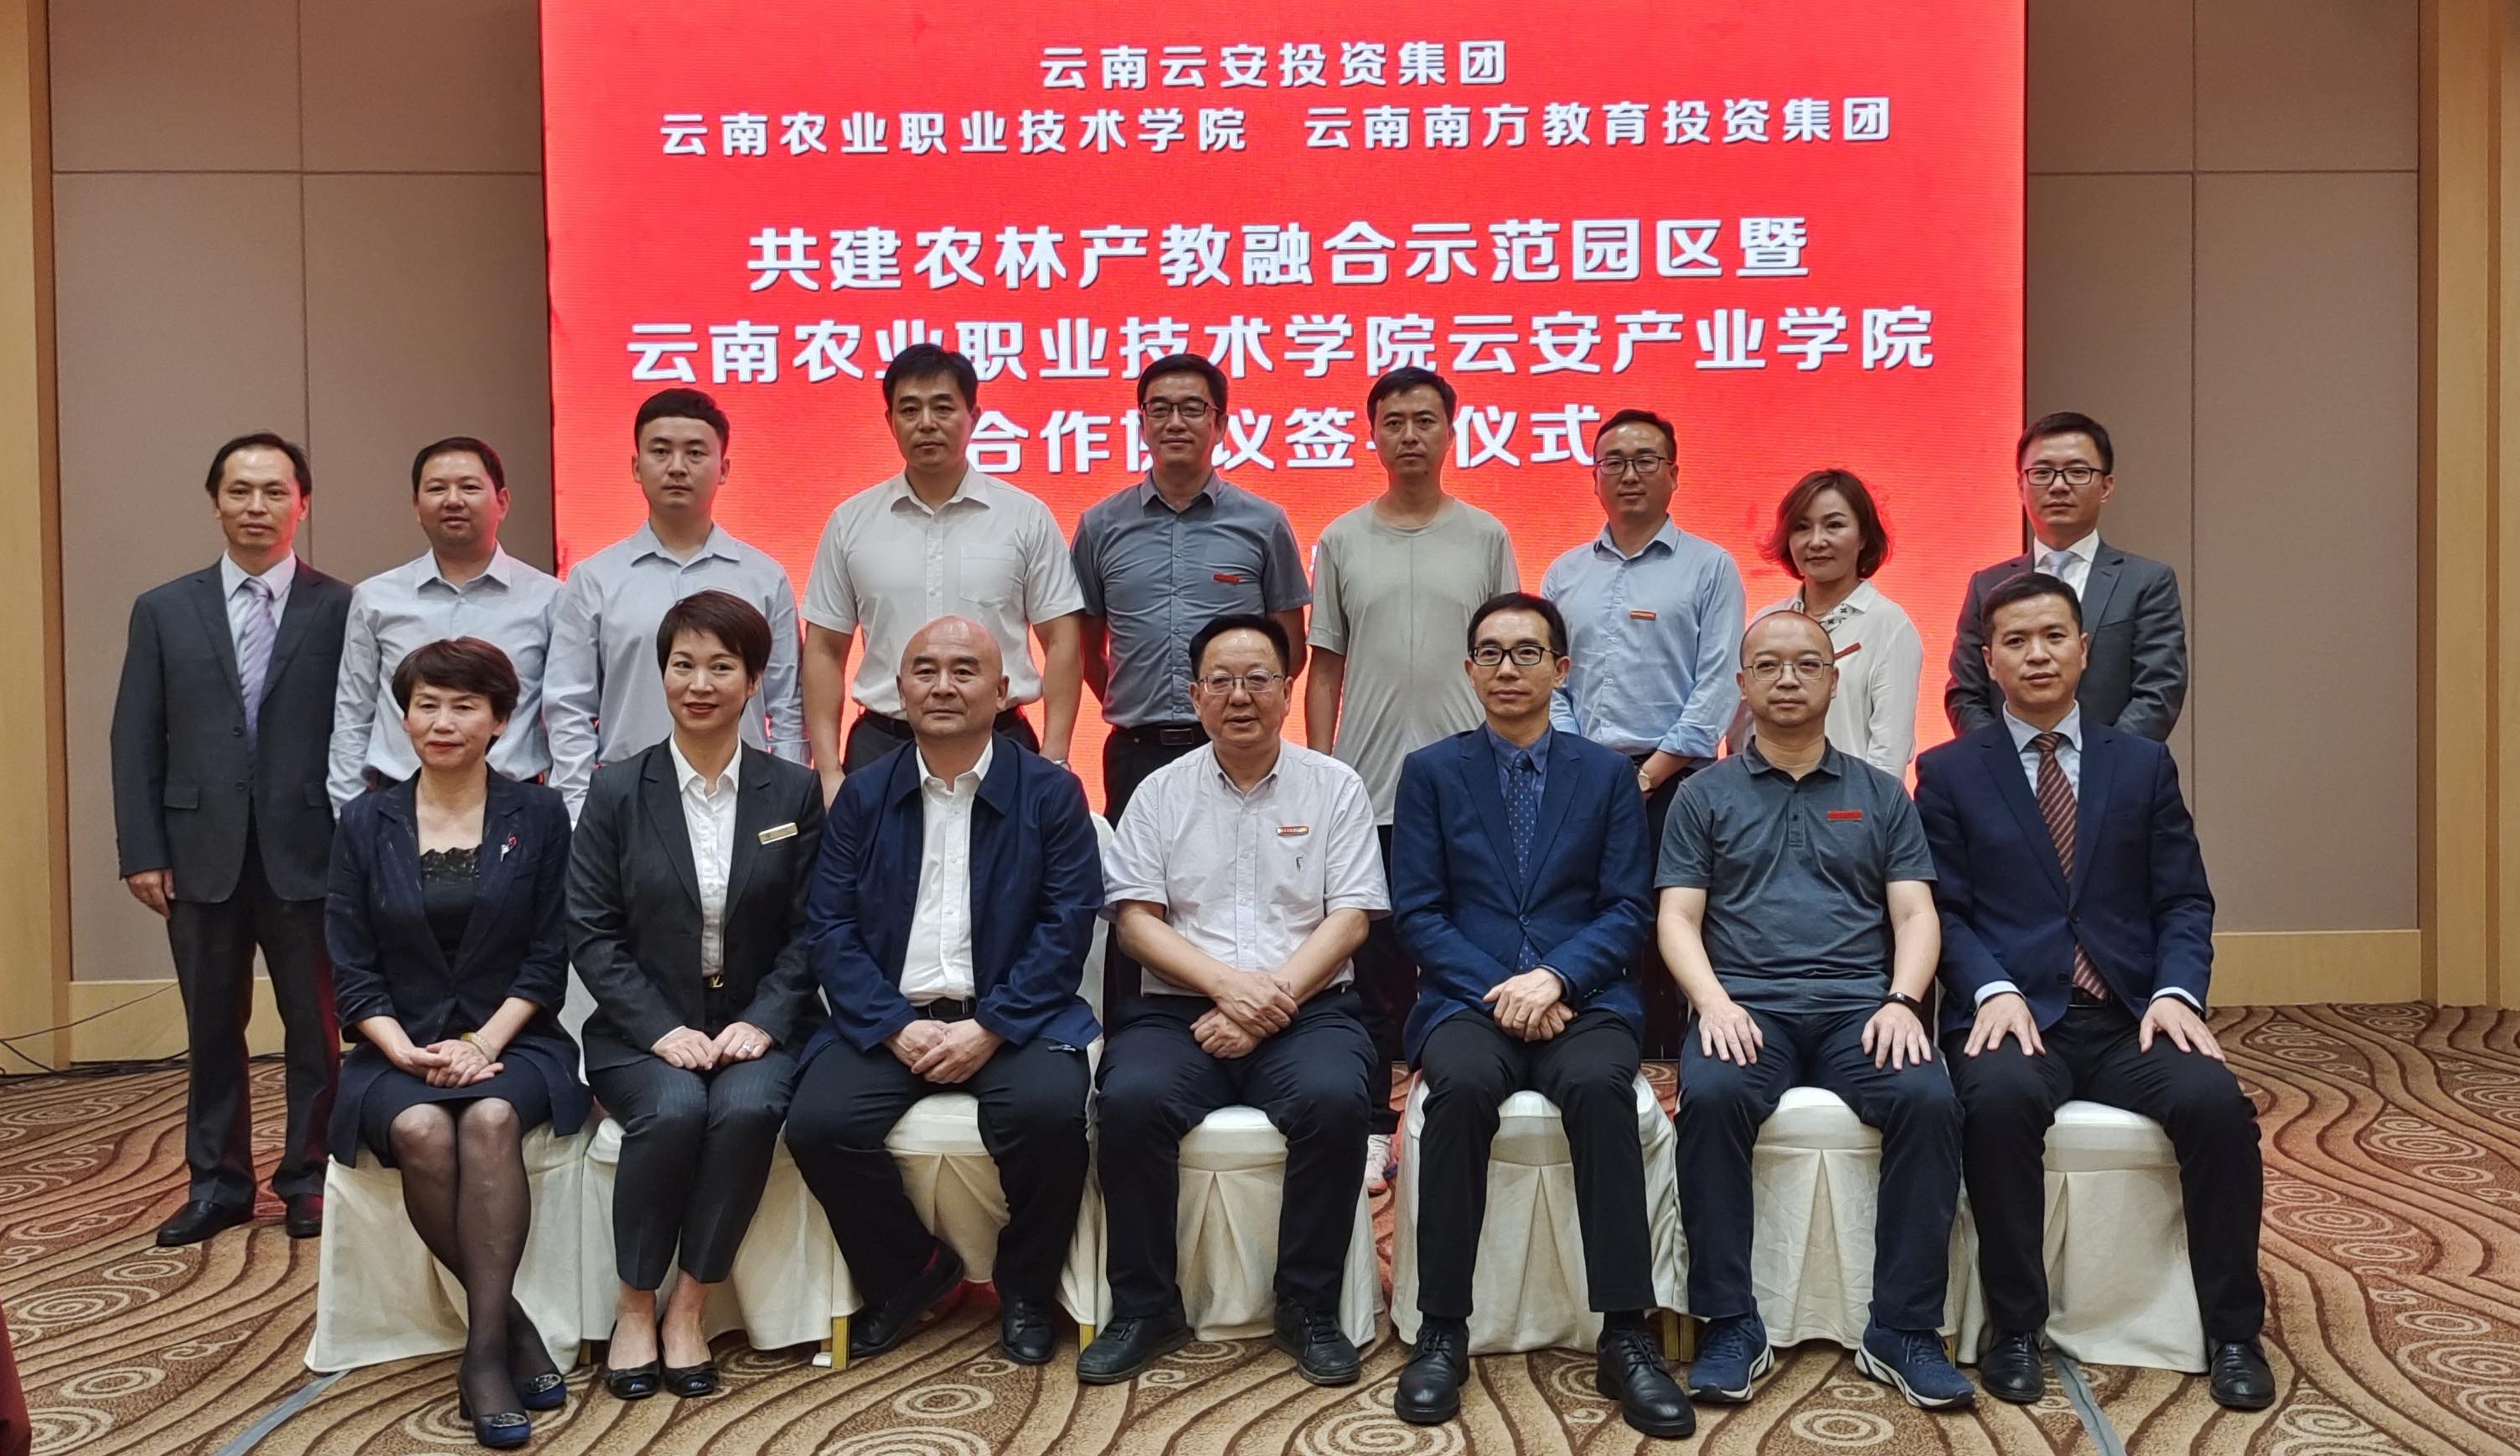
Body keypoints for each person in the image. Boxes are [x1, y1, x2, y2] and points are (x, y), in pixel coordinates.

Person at [1916, 571, 2273, 1410]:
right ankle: (2013, 1327)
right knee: (1997, 1104)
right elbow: (1943, 910)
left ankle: (2232, 1332)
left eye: (2052, 637)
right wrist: (1991, 987)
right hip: (2012, 1015)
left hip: (2126, 1017)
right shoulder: (1948, 772)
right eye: (2015, 641)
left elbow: (2182, 899)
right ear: (1988, 660)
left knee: (2218, 1108)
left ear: (2083, 650)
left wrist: (2176, 993)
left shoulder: (2141, 763)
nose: (2036, 655)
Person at [1387, 592, 1686, 1437]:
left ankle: (1624, 1333)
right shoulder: (1431, 772)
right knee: (1459, 1091)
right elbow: (1418, 912)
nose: (1507, 668)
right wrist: (1504, 988)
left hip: (1582, 998)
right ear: (1468, 669)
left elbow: (1627, 908)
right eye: (1490, 653)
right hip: (1466, 998)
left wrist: (1553, 979)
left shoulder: (1606, 774)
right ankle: (1443, 1329)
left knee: (1599, 1091)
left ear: (1561, 668)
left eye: (1526, 653)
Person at [1657, 612, 1974, 1411]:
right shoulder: (1702, 794)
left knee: (1929, 1099)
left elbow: (1915, 913)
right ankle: (1731, 1322)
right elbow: (1678, 918)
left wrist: (1902, 1002)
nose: (1788, 679)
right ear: (1743, 685)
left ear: (1835, 680)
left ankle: (1902, 1327)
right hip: (1745, 1008)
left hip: (1857, 1010)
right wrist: (1712, 1004)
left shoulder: (1880, 794)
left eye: (1807, 664)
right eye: (1768, 665)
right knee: (1713, 1098)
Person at [784, 617, 1102, 1366]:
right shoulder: (862, 796)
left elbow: (1066, 926)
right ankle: (912, 1275)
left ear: (1003, 691)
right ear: (899, 691)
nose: (943, 687)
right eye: (924, 671)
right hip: (891, 1021)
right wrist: (894, 1025)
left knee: (1049, 1116)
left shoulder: (1051, 793)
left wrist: (991, 1027)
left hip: (1015, 1020)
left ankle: (1026, 1291)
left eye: (965, 671)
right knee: (818, 1123)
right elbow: (828, 927)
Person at [1080, 615, 1382, 1387]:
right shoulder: (1158, 793)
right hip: (1179, 1010)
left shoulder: (1336, 786)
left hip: (1308, 1005)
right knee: (1131, 1101)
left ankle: (1308, 1306)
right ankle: (1145, 1306)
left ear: (1287, 689)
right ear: (1195, 696)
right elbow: (1136, 923)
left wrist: (1268, 999)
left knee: (1334, 1100)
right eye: (1220, 681)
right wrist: (1228, 988)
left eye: (1257, 679)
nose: (1239, 696)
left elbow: (1350, 917)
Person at [325, 638, 586, 1448]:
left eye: (465, 706)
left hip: (516, 1039)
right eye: (427, 705)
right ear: (404, 718)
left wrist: (483, 1041)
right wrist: (400, 1049)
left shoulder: (538, 815)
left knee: (490, 1120)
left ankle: (481, 1359)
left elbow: (549, 954)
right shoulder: (364, 822)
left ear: (500, 720)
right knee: (419, 1129)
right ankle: (512, 1329)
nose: (443, 722)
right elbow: (350, 964)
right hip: (394, 1047)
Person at [566, 591, 826, 1401]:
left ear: (753, 680)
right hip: (641, 1030)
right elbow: (592, 933)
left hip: (761, 1025)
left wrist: (765, 1020)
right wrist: (659, 1029)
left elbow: (813, 930)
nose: (700, 683)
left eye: (721, 666)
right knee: (674, 1110)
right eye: (683, 665)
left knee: (745, 1110)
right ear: (663, 674)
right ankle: (633, 1306)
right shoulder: (617, 791)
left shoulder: (792, 792)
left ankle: (690, 1305)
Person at [110, 433, 349, 1247]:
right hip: (196, 851)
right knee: (212, 1029)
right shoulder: (163, 609)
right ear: (215, 502)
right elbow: (135, 737)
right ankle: (218, 1183)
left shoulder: (341, 607)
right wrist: (143, 848)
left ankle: (309, 1178)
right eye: (240, 491)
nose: (257, 506)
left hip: (307, 849)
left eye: (275, 491)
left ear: (302, 504)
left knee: (315, 1029)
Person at [1306, 367, 1520, 1195]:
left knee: (1466, 958)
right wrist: (1321, 771)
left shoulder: (1486, 535)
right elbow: (1325, 666)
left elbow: (1509, 658)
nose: (1408, 435)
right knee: (1373, 972)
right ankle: (1371, 1124)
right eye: (1392, 421)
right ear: (1372, 434)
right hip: (1366, 790)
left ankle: (1454, 1108)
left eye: (1424, 420)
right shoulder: (1342, 538)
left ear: (1450, 432)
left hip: (1470, 789)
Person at [1541, 408, 1744, 1056]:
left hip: (1680, 784)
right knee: (1587, 920)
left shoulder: (1710, 567)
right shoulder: (1565, 573)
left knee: (1672, 924)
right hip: (1581, 778)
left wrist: (1650, 774)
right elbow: (1553, 682)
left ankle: (1674, 1064)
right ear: (1594, 476)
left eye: (1645, 461)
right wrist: (1583, 762)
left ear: (1674, 474)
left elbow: (1718, 683)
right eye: (1614, 462)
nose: (1629, 474)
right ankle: (1601, 1055)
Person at [801, 344, 1086, 793]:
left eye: (943, 407)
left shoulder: (1024, 516)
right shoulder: (851, 522)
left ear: (973, 417)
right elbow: (824, 649)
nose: (926, 423)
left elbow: (1062, 639)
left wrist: (1054, 757)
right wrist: (828, 769)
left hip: (1000, 741)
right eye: (909, 409)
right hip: (883, 744)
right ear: (890, 421)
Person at [1070, 353, 1310, 824]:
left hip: (1238, 747)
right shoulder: (1100, 526)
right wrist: (1138, 703)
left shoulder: (1263, 524)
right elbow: (1086, 652)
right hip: (1136, 752)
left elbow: (1291, 650)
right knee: (1137, 871)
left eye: (1192, 409)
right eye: (1159, 410)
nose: (1175, 422)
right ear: (1142, 425)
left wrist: (1238, 705)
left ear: (1220, 425)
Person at [546, 388, 805, 819]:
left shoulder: (764, 578)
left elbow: (787, 704)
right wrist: (580, 811)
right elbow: (568, 706)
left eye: (695, 453)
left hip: (745, 799)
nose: (677, 467)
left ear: (723, 469)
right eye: (661, 451)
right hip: (628, 802)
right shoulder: (594, 579)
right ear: (636, 467)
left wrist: (789, 803)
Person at [328, 436, 560, 810]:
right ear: (417, 506)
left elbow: (567, 715)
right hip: (395, 803)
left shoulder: (550, 598)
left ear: (502, 502)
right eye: (437, 489)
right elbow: (353, 716)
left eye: (469, 487)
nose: (453, 500)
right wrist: (349, 813)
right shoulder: (374, 598)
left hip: (515, 805)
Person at [1945, 412, 2187, 741]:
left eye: (2077, 472)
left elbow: (2160, 689)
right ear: (2020, 486)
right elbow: (1965, 693)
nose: (2058, 486)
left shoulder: (2147, 582)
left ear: (2106, 487)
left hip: (2114, 767)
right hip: (2004, 768)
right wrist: (2004, 761)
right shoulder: (1986, 585)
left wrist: (2101, 761)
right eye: (2042, 473)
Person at [1743, 468, 1924, 776]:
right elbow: (1743, 730)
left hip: (1851, 801)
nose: (1816, 541)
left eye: (1834, 525)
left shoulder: (1889, 625)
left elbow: (1889, 752)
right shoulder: (1766, 623)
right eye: (1802, 527)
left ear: (1863, 536)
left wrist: (1870, 804)